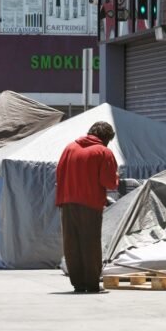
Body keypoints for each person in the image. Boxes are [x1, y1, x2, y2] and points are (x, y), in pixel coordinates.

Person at [55, 122, 118, 293]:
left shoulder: (69, 148)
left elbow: (59, 173)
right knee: (90, 243)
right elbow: (109, 182)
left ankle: (78, 283)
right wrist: (116, 178)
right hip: (90, 204)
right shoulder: (103, 151)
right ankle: (91, 284)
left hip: (67, 202)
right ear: (106, 138)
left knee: (72, 243)